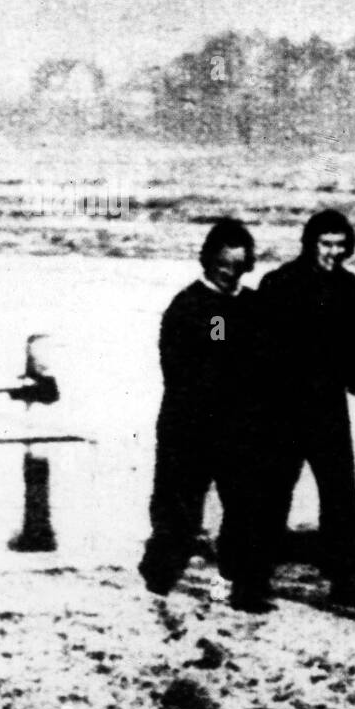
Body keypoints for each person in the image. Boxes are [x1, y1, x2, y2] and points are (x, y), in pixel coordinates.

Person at [139, 217, 274, 613]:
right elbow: (206, 363)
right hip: (193, 426)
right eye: (223, 264)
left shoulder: (248, 305)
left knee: (245, 510)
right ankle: (158, 577)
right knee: (179, 512)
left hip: (238, 426)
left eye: (238, 265)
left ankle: (233, 585)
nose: (230, 272)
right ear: (208, 261)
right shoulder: (197, 307)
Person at [255, 210, 355, 601]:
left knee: (340, 495)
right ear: (310, 243)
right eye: (326, 244)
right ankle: (254, 576)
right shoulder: (278, 283)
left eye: (340, 245)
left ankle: (344, 578)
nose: (333, 253)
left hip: (328, 408)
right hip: (282, 407)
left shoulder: (349, 286)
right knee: (273, 493)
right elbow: (258, 351)